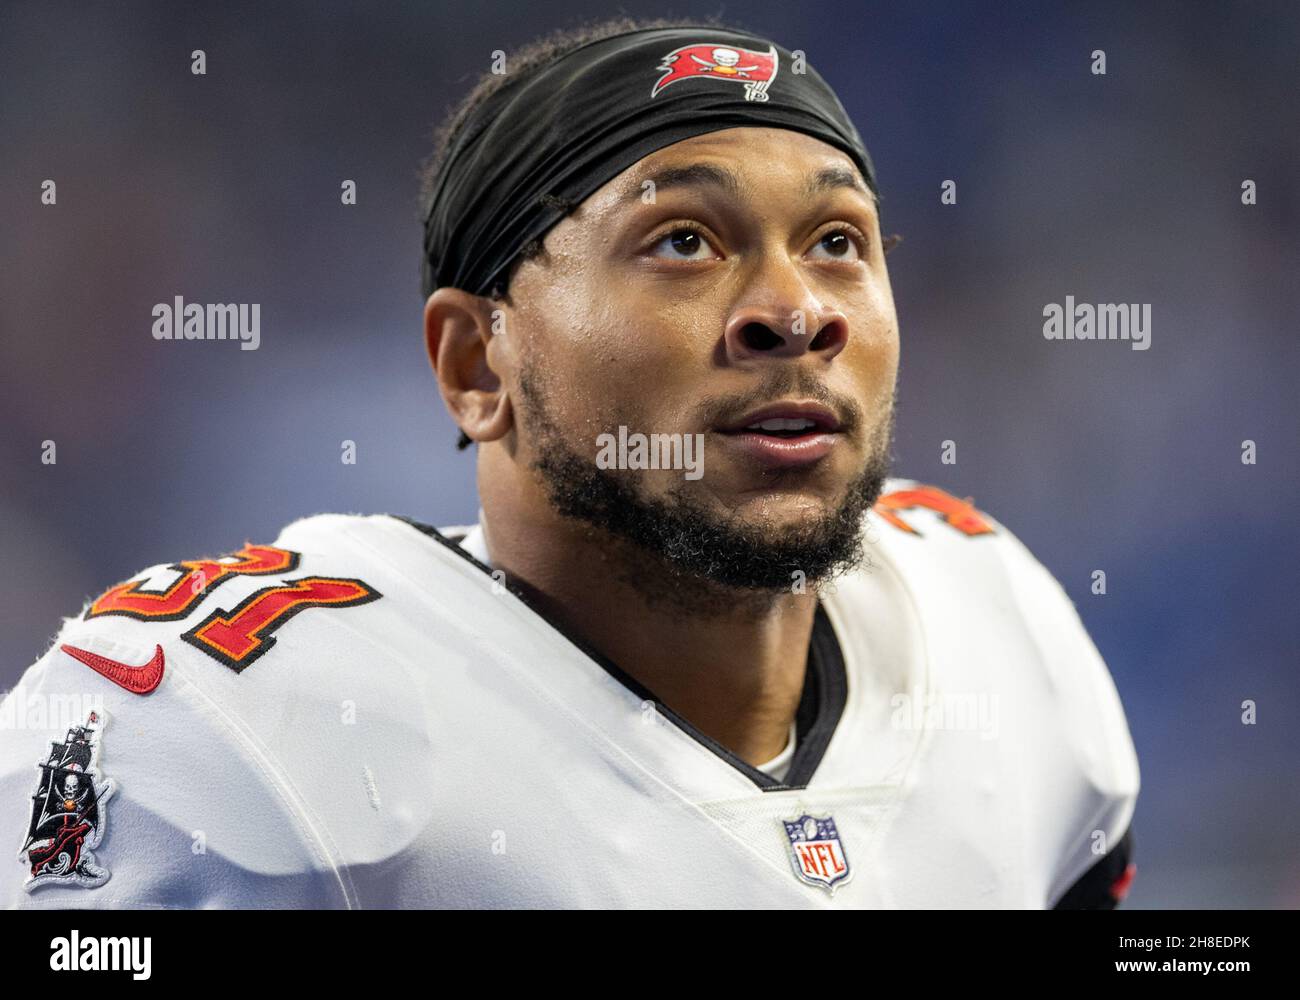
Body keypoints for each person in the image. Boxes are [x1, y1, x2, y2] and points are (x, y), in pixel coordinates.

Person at [0, 17, 1138, 908]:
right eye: (682, 241)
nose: (794, 311)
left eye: (836, 243)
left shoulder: (996, 627)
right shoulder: (233, 727)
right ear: (474, 362)